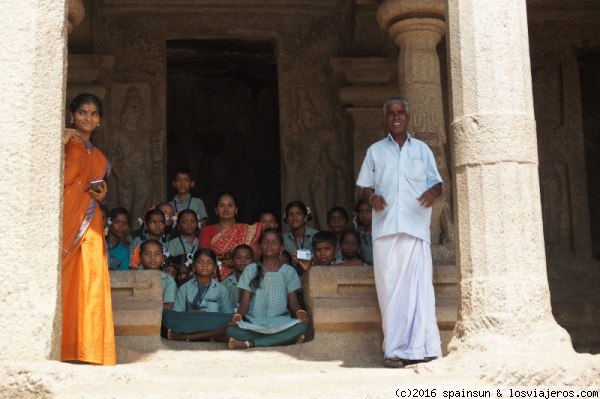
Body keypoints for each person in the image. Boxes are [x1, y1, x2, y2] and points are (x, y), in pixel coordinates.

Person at [356, 97, 443, 368]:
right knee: (390, 290)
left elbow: (437, 183)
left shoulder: (422, 150)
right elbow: (365, 186)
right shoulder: (375, 151)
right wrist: (372, 199)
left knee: (420, 290)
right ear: (385, 119)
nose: (396, 117)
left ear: (408, 116)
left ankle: (425, 347)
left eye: (401, 112)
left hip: (416, 229)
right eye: (391, 113)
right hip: (385, 231)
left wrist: (432, 192)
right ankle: (394, 350)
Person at [62, 93, 115, 365]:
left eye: (94, 114)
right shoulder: (64, 142)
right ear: (72, 115)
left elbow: (96, 187)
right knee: (66, 280)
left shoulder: (100, 157)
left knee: (92, 279)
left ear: (100, 121)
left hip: (90, 220)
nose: (88, 118)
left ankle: (90, 349)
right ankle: (62, 347)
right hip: (64, 220)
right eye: (82, 112)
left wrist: (103, 197)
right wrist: (62, 134)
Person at [226, 229, 310, 349]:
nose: (269, 245)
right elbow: (245, 301)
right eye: (266, 242)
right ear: (260, 247)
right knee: (230, 330)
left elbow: (293, 301)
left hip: (281, 322)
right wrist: (238, 315)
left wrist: (300, 312)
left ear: (281, 248)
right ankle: (282, 340)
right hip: (254, 323)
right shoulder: (251, 269)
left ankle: (251, 343)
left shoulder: (288, 271)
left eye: (274, 242)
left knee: (304, 326)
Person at [165, 248, 233, 342]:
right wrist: (190, 312)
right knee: (170, 317)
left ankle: (187, 337)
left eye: (209, 262)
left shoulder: (221, 289)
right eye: (200, 262)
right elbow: (177, 315)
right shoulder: (184, 288)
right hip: (193, 323)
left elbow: (227, 316)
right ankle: (210, 337)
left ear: (215, 268)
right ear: (193, 267)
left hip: (213, 325)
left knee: (232, 324)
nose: (204, 265)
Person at [199, 192, 262, 281]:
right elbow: (204, 256)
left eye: (230, 205)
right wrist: (222, 261)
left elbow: (255, 255)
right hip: (217, 277)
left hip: (245, 276)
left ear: (236, 210)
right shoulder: (207, 230)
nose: (226, 209)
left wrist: (238, 262)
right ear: (216, 210)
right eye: (222, 206)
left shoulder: (247, 230)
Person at [282, 201, 319, 276]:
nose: (294, 217)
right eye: (291, 214)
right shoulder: (283, 238)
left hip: (313, 276)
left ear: (305, 217)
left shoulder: (315, 235)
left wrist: (310, 259)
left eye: (298, 214)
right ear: (287, 219)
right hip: (290, 278)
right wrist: (289, 259)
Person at [138, 239, 176, 310]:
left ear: (162, 259)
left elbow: (168, 306)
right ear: (140, 258)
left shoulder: (168, 280)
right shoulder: (134, 277)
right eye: (147, 254)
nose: (152, 257)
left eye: (157, 254)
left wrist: (146, 308)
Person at [221, 244, 254, 311]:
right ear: (232, 260)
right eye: (239, 258)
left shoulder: (258, 281)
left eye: (247, 258)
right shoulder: (226, 284)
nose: (243, 261)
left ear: (252, 261)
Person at [355, 199, 374, 265]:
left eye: (368, 211)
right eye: (361, 211)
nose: (364, 215)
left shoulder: (378, 233)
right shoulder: (359, 235)